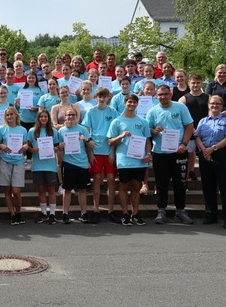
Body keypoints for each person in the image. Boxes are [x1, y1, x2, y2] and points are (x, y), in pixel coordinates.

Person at [147, 84, 195, 225]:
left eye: (165, 94)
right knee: (161, 183)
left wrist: (184, 144)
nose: (163, 97)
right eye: (160, 95)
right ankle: (161, 211)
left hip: (179, 151)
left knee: (180, 183)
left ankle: (180, 211)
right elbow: (148, 130)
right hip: (160, 152)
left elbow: (189, 126)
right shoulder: (152, 111)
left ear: (170, 94)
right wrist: (154, 131)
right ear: (156, 96)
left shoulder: (180, 107)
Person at [107, 94, 152, 226]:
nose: (131, 104)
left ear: (137, 104)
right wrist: (121, 136)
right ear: (125, 103)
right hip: (124, 160)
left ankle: (135, 214)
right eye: (129, 102)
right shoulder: (117, 121)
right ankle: (125, 214)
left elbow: (147, 141)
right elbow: (110, 141)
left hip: (139, 160)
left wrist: (148, 154)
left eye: (134, 102)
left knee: (136, 187)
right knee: (123, 186)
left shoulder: (143, 121)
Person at [195, 95, 226, 228]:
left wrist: (212, 149)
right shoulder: (202, 121)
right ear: (208, 105)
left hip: (221, 154)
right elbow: (198, 137)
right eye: (212, 103)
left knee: (225, 187)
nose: (215, 106)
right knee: (208, 187)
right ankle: (210, 215)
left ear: (221, 106)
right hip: (205, 154)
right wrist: (204, 151)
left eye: (218, 104)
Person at [82, 87, 120, 224]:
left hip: (109, 150)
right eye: (100, 96)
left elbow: (116, 133)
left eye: (104, 96)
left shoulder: (113, 112)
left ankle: (110, 211)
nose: (102, 99)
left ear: (108, 97)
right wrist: (90, 152)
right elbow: (87, 133)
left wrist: (113, 152)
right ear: (96, 97)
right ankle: (96, 210)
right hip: (96, 150)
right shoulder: (91, 111)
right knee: (97, 180)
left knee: (111, 179)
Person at [57, 107, 95, 224]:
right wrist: (60, 147)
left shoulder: (82, 129)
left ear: (76, 116)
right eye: (69, 115)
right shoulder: (61, 131)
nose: (71, 117)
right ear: (65, 117)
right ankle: (65, 214)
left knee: (82, 190)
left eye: (73, 115)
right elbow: (58, 148)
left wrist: (85, 139)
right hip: (68, 164)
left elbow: (92, 145)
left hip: (82, 164)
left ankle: (84, 213)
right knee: (67, 189)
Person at [0, 107, 30, 225]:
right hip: (5, 161)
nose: (9, 117)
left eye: (11, 114)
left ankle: (18, 212)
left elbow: (26, 144)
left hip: (18, 161)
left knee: (16, 191)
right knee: (7, 189)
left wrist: (25, 147)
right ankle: (12, 214)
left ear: (16, 115)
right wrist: (2, 146)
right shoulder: (1, 129)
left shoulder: (23, 130)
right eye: (7, 115)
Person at [27, 110, 60, 224]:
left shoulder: (53, 131)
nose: (43, 118)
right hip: (37, 165)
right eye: (41, 116)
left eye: (45, 116)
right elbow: (27, 147)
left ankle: (52, 214)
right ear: (38, 118)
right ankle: (44, 213)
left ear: (48, 118)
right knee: (41, 189)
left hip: (50, 165)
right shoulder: (32, 131)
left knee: (51, 189)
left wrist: (56, 148)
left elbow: (57, 146)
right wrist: (32, 150)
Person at [180, 73, 209, 182]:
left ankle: (206, 177)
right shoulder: (183, 99)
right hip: (189, 130)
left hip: (204, 130)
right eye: (193, 83)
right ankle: (189, 173)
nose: (195, 85)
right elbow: (180, 117)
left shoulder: (208, 98)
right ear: (189, 83)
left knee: (205, 153)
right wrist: (190, 129)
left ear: (201, 84)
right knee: (190, 153)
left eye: (198, 83)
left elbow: (211, 115)